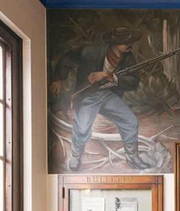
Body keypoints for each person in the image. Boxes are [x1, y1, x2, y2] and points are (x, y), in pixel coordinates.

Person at [50, 27, 147, 171]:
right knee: (82, 129)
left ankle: (133, 158)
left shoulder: (129, 58)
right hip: (87, 96)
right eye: (125, 41)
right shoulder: (91, 51)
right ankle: (76, 157)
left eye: (130, 41)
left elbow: (133, 82)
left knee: (130, 121)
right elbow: (68, 58)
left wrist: (109, 76)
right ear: (114, 42)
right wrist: (59, 78)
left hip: (108, 95)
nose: (129, 44)